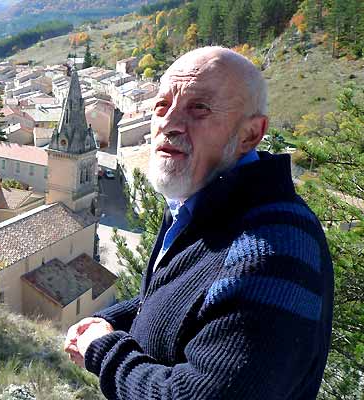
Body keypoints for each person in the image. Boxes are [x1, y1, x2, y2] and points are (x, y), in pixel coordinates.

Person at [64, 46, 334, 400]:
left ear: (250, 134)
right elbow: (180, 301)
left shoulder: (274, 249)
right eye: (161, 106)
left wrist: (105, 349)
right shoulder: (199, 201)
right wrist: (114, 320)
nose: (170, 123)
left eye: (198, 108)